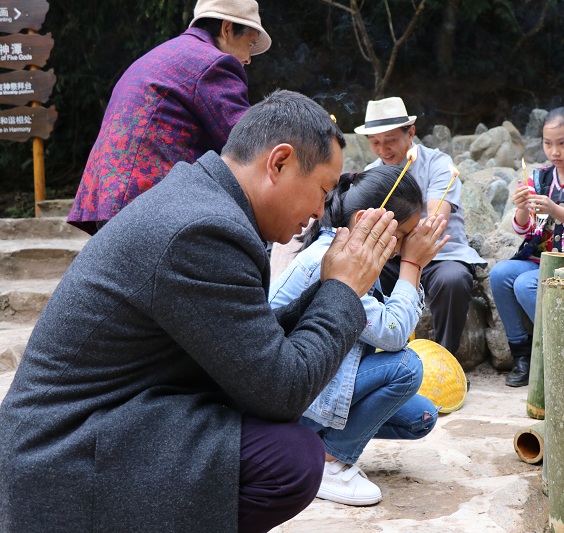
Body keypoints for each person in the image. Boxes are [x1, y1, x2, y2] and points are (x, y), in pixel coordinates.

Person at [0, 90, 401, 532]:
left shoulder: (205, 203)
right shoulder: (201, 231)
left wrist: (332, 286)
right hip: (63, 453)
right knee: (291, 458)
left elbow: (253, 348)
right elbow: (282, 392)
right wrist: (343, 290)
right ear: (279, 162)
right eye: (323, 190)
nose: (317, 212)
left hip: (97, 425)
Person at [269, 165, 448, 506]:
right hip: (285, 392)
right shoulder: (332, 258)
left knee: (420, 417)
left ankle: (310, 442)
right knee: (406, 368)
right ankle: (327, 463)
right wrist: (413, 264)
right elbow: (395, 335)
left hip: (311, 383)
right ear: (368, 219)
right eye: (404, 234)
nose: (403, 246)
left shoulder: (347, 245)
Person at [68, 0, 272, 235]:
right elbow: (247, 143)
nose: (248, 59)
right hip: (147, 198)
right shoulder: (214, 62)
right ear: (227, 29)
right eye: (250, 44)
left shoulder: (166, 53)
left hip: (111, 194)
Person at [489, 106, 564, 387]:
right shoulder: (540, 178)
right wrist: (520, 208)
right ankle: (522, 355)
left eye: (562, 143)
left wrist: (557, 210)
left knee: (525, 285)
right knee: (500, 274)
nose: (554, 151)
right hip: (541, 258)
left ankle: (558, 351)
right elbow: (526, 229)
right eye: (548, 144)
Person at [355, 96, 486, 358]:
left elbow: (436, 220)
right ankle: (379, 356)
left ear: (411, 132)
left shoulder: (438, 163)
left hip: (440, 254)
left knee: (453, 280)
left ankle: (445, 360)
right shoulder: (372, 172)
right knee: (361, 275)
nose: (383, 149)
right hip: (393, 256)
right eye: (375, 143)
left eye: (390, 140)